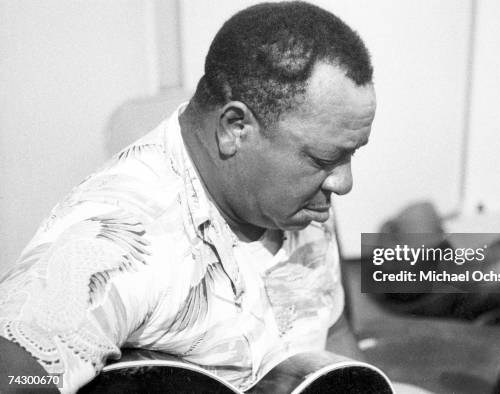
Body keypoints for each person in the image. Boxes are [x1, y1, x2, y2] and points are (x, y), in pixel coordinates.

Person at [0, 1, 376, 392]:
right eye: (324, 158)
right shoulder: (116, 238)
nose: (343, 182)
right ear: (235, 128)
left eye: (351, 153)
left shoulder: (302, 200)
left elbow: (331, 339)